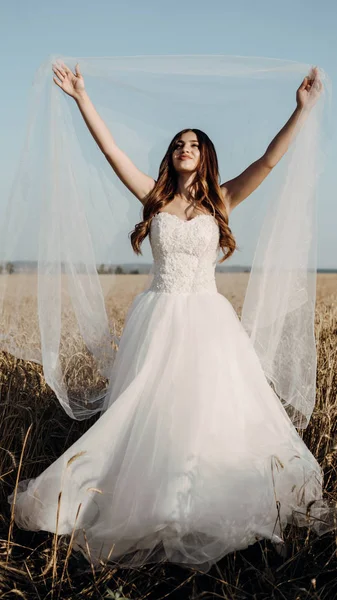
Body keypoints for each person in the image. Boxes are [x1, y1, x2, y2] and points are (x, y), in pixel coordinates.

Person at [8, 62, 328, 573]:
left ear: (205, 157)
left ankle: (199, 500)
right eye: (179, 143)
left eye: (194, 144)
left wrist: (301, 110)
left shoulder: (222, 200)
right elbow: (111, 151)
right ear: (171, 155)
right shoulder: (153, 197)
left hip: (208, 323)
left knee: (209, 413)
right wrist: (81, 98)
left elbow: (268, 162)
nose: (185, 148)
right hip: (157, 318)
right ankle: (150, 502)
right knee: (148, 413)